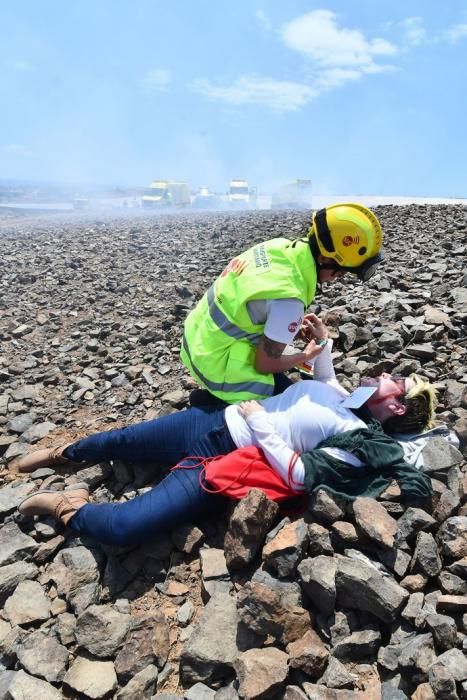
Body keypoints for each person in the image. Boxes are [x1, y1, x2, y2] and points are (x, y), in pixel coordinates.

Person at [17, 316, 435, 550]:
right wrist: (323, 342)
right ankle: (66, 453)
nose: (385, 373)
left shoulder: (357, 438)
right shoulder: (346, 398)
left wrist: (260, 422)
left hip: (221, 459)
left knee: (125, 528)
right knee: (122, 439)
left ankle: (68, 507)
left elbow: (298, 475)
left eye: (395, 379)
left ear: (396, 406)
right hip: (214, 419)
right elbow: (323, 377)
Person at [181, 202, 384, 404]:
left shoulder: (278, 247)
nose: (337, 277)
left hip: (195, 339)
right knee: (290, 403)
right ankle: (216, 405)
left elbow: (252, 299)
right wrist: (306, 355)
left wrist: (286, 325)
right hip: (212, 366)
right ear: (323, 258)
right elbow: (265, 364)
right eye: (340, 271)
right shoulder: (289, 300)